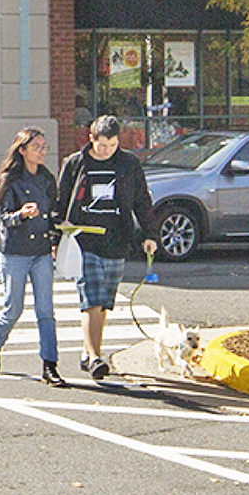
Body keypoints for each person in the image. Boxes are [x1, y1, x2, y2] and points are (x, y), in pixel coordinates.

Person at [56, 113, 156, 380]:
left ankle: (88, 351)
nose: (107, 150)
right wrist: (56, 238)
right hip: (83, 240)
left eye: (112, 145)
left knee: (103, 303)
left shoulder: (128, 164)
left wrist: (149, 233)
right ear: (91, 139)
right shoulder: (76, 164)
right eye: (102, 145)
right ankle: (95, 357)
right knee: (91, 298)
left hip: (116, 239)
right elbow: (60, 201)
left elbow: (141, 200)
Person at [0, 127, 66, 387]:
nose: (41, 152)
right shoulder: (10, 179)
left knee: (46, 310)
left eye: (43, 147)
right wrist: (21, 214)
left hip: (40, 251)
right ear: (22, 150)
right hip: (15, 252)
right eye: (36, 147)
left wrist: (56, 238)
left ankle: (50, 365)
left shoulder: (47, 179)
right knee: (13, 308)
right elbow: (5, 218)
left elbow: (54, 213)